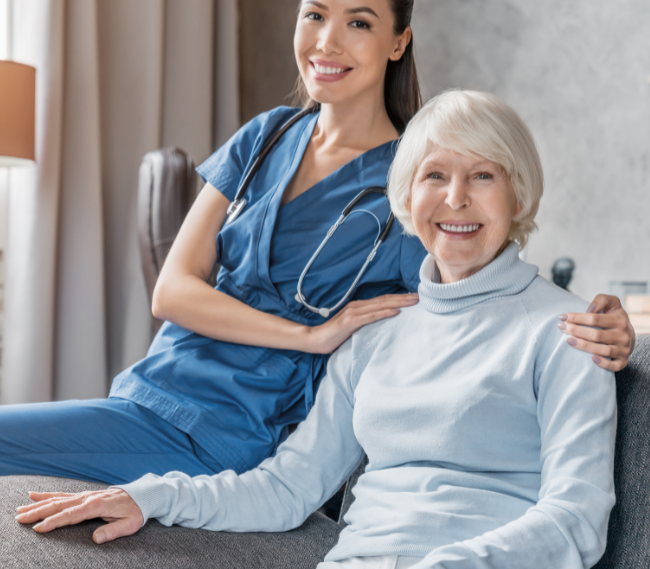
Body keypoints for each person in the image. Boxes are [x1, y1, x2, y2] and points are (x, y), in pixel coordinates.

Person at [0, 0, 632, 486]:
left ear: (397, 41)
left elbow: (487, 288)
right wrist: (309, 335)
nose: (328, 41)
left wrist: (599, 324)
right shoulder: (267, 136)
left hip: (238, 432)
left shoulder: (412, 178)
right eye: (314, 16)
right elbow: (172, 291)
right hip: (150, 393)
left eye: (358, 22)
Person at [17, 91, 617, 569]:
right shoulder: (378, 334)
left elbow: (576, 519)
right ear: (408, 195)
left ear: (517, 193)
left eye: (483, 176)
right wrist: (149, 496)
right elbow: (286, 489)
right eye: (435, 175)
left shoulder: (569, 332)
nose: (455, 199)